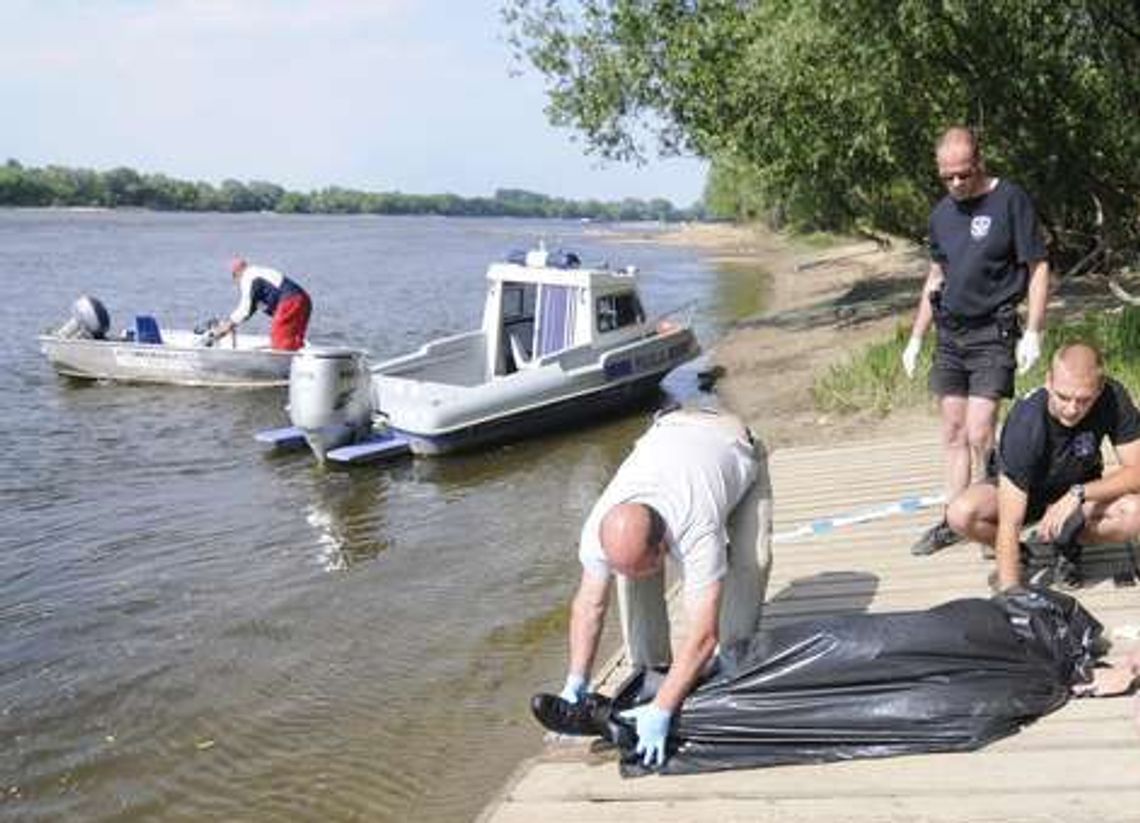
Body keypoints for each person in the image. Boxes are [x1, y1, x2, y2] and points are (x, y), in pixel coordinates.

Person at [556, 406, 773, 767]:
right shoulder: (599, 528)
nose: (640, 572)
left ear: (664, 546)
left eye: (648, 562)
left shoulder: (696, 527)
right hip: (670, 433)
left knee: (751, 564)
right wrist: (576, 679)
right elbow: (589, 606)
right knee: (633, 579)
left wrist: (664, 710)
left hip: (733, 448)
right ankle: (649, 674)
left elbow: (703, 634)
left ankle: (732, 671)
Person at [903, 125, 1051, 557]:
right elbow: (936, 275)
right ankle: (954, 519)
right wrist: (916, 337)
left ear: (979, 162)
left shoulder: (1010, 200)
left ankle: (993, 518)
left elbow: (1038, 266)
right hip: (951, 333)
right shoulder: (941, 215)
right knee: (953, 430)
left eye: (963, 174)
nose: (955, 183)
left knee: (980, 429)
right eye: (946, 176)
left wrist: (1034, 330)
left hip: (993, 331)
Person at [946, 343, 1140, 591]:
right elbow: (1010, 522)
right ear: (1048, 381)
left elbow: (1136, 471)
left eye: (1084, 400)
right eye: (1063, 397)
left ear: (1100, 388)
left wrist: (1079, 494)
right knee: (960, 514)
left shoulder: (1112, 396)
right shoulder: (1026, 422)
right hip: (1028, 492)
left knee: (1135, 513)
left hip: (1079, 493)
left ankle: (1068, 543)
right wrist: (1011, 594)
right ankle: (1019, 555)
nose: (1072, 409)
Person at [211, 257, 312, 351]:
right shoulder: (260, 275)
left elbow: (245, 309)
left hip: (291, 301)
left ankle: (281, 362)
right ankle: (298, 359)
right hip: (304, 301)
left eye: (234, 277)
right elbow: (250, 309)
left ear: (236, 273)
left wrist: (229, 323)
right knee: (293, 340)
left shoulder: (249, 277)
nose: (237, 283)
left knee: (279, 337)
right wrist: (231, 324)